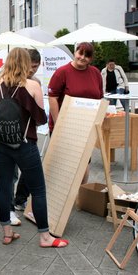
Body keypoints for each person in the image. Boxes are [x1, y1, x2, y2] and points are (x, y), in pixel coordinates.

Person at [0, 48, 69, 248]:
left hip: (0, 144)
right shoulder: (32, 85)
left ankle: (7, 232)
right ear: (25, 63)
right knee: (38, 190)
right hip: (25, 144)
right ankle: (45, 237)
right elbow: (40, 119)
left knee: (3, 188)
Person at [48, 42, 103, 184]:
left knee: (84, 161)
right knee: (66, 164)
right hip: (65, 127)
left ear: (91, 58)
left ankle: (80, 194)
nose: (83, 58)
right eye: (80, 53)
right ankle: (64, 196)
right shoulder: (62, 72)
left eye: (87, 55)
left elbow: (99, 98)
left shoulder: (95, 73)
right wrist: (58, 122)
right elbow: (52, 97)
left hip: (86, 126)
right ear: (75, 52)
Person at [14, 48, 42, 212]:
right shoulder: (9, 80)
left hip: (28, 135)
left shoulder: (36, 82)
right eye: (30, 66)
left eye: (36, 66)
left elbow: (39, 114)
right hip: (10, 134)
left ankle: (20, 199)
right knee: (11, 173)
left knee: (28, 170)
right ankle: (10, 205)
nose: (32, 70)